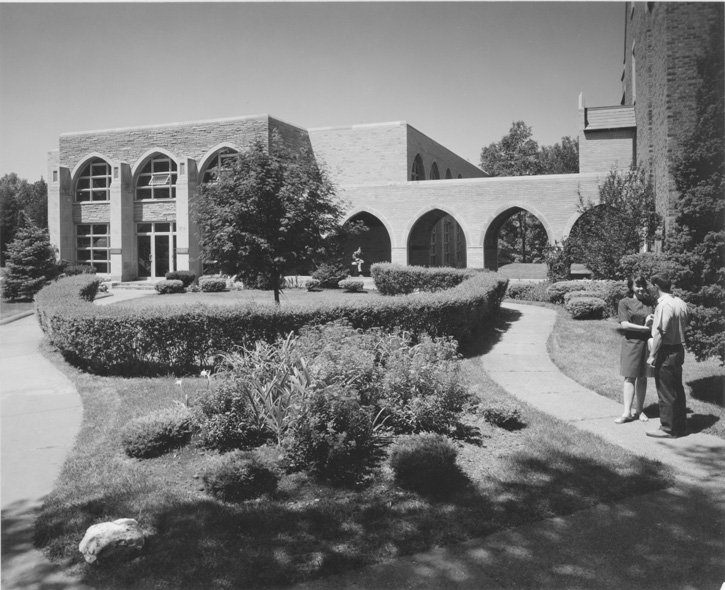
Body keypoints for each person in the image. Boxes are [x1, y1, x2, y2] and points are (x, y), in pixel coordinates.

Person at [646, 272, 690, 438]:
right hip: (678, 348)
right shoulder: (680, 302)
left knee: (665, 390)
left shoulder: (664, 305)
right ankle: (680, 426)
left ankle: (667, 428)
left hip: (666, 350)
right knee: (677, 388)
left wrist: (652, 355)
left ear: (656, 287)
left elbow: (660, 333)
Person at [615, 275, 654, 424]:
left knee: (643, 377)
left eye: (643, 285)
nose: (641, 288)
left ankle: (639, 410)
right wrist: (645, 327)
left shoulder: (649, 303)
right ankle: (627, 412)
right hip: (631, 343)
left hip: (646, 343)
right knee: (630, 376)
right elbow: (624, 325)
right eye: (637, 285)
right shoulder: (624, 302)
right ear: (631, 286)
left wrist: (651, 322)